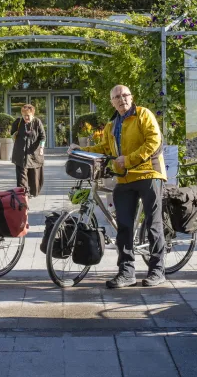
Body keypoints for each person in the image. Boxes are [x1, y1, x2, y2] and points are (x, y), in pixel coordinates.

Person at [69, 84, 167, 288]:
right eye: (117, 97)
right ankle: (126, 272)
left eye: (125, 95)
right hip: (124, 178)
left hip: (149, 173)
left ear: (131, 97)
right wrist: (81, 150)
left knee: (153, 224)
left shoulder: (143, 115)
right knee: (124, 226)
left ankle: (157, 271)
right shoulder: (111, 124)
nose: (122, 99)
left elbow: (154, 142)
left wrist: (129, 160)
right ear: (112, 102)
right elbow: (103, 148)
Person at [10, 104, 46, 197]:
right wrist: (14, 135)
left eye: (28, 115)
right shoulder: (18, 122)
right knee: (22, 177)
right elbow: (12, 134)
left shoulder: (37, 122)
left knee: (34, 178)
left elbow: (43, 137)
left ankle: (32, 193)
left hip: (34, 154)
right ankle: (23, 195)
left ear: (32, 114)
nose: (26, 117)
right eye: (24, 115)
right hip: (21, 155)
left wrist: (41, 148)